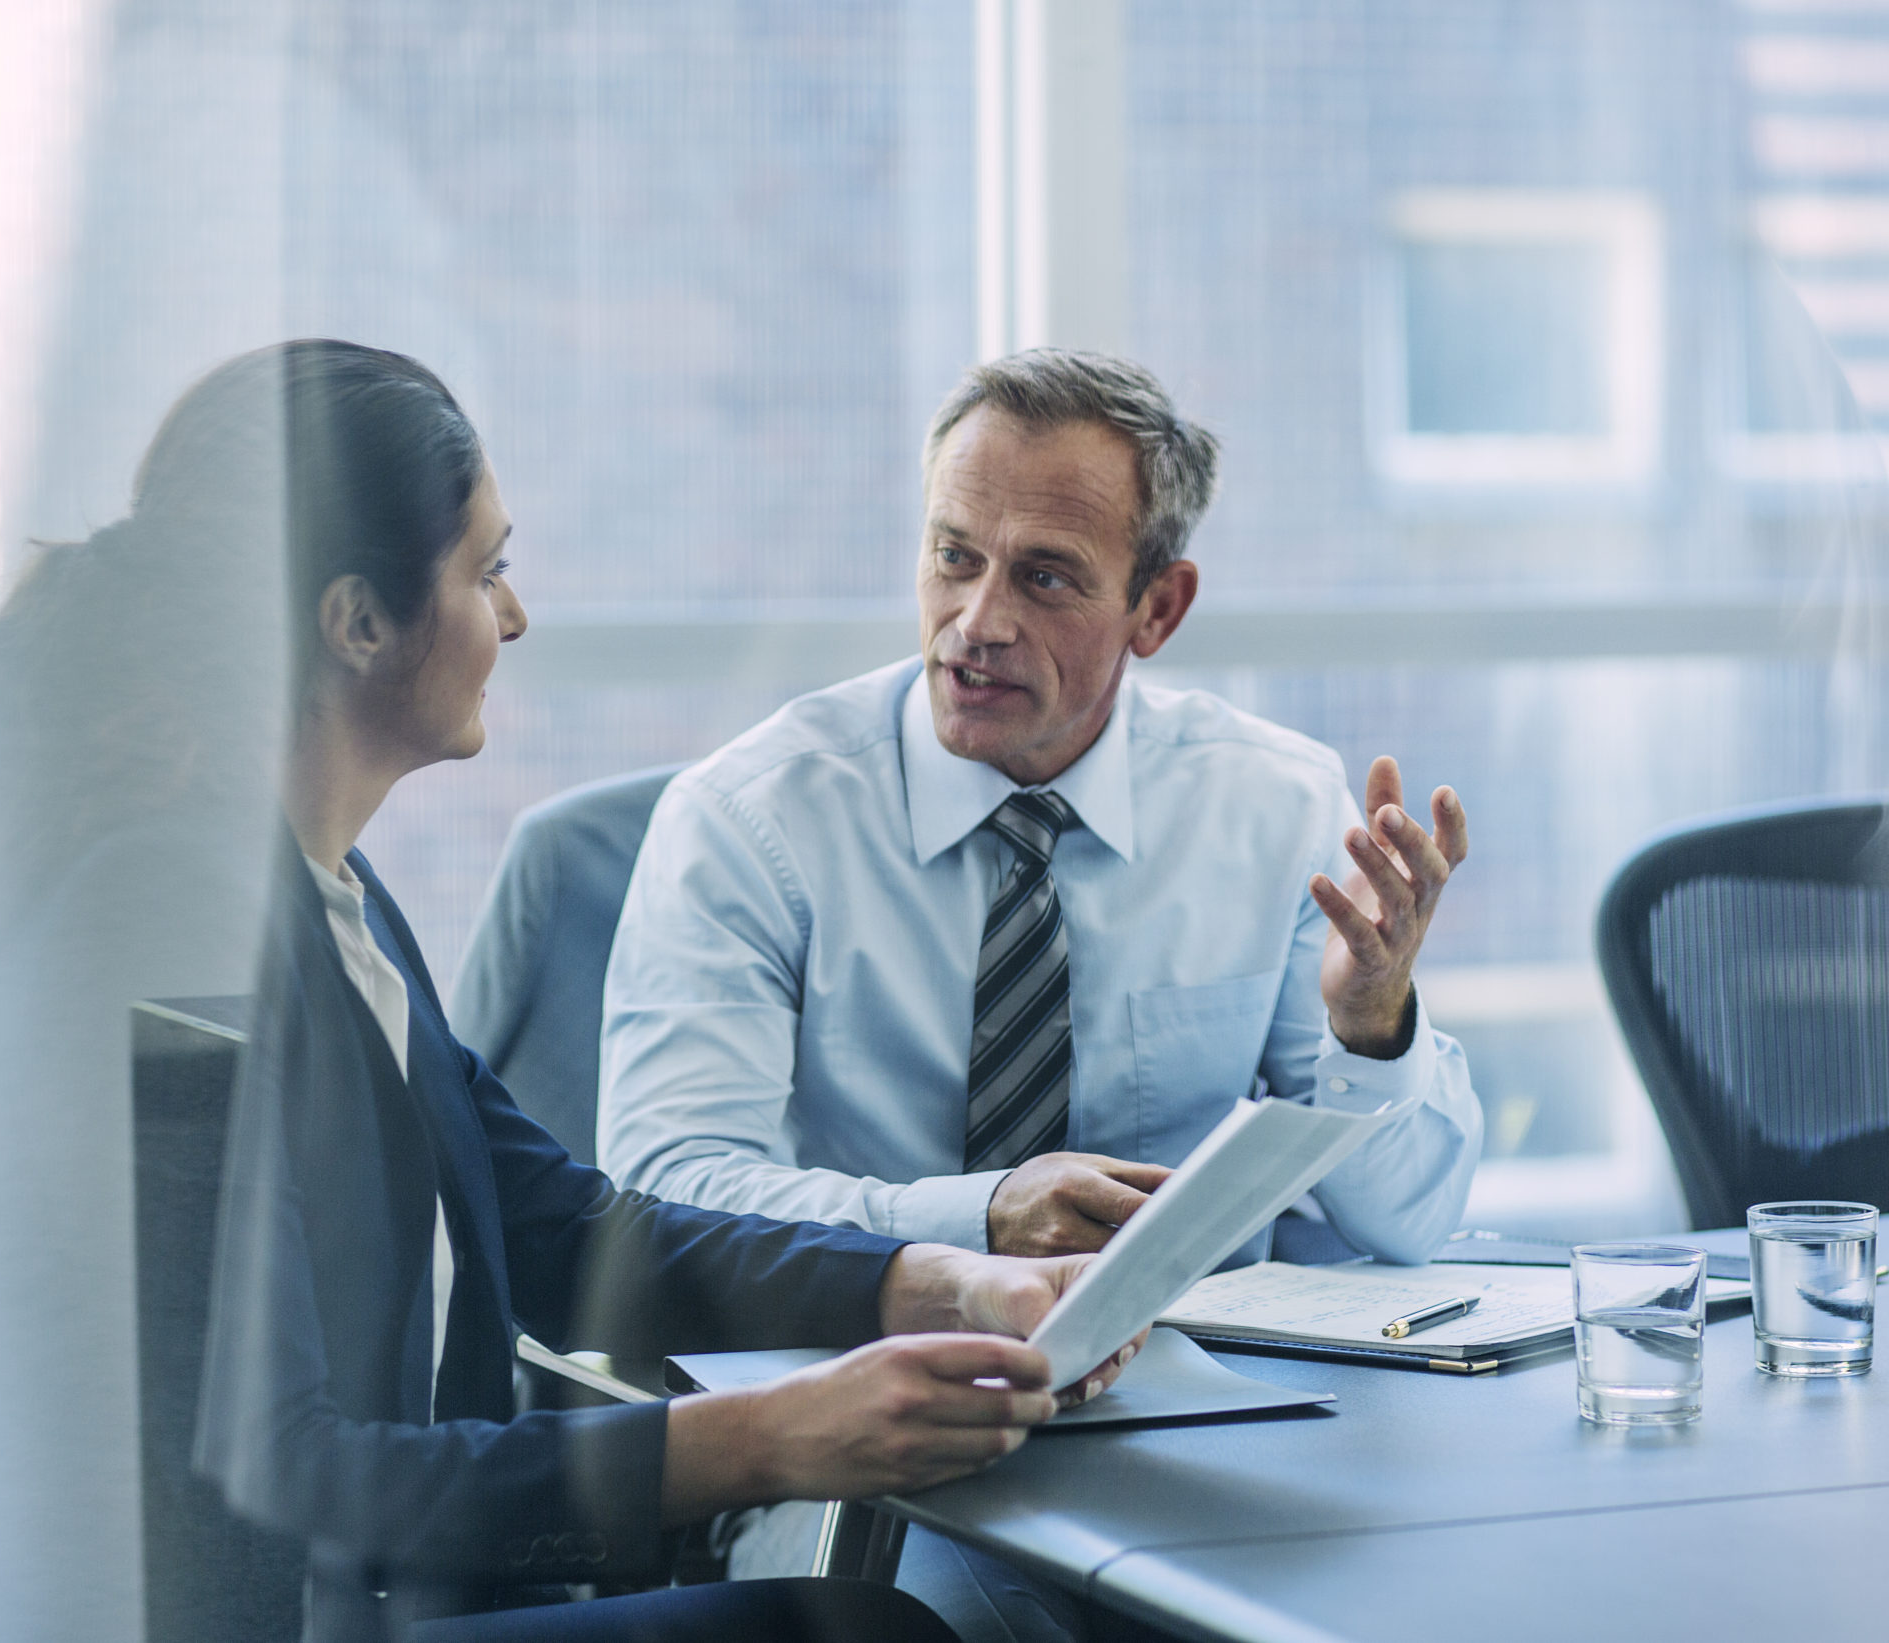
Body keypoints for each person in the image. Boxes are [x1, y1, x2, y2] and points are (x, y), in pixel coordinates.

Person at [188, 340, 1137, 1643]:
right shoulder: (209, 956)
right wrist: (765, 1439)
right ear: (357, 621)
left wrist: (939, 1284)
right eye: (489, 572)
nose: (513, 620)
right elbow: (297, 1481)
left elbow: (580, 1236)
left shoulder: (342, 904)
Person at [595, 349, 1480, 1638]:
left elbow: (1409, 1229)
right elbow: (664, 1193)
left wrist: (1370, 1026)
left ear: (1158, 609)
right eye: (954, 557)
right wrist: (980, 1222)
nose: (978, 622)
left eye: (1045, 576)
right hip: (865, 1440)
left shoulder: (1271, 804)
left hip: (1209, 1429)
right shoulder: (752, 820)